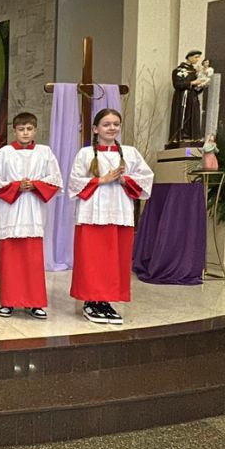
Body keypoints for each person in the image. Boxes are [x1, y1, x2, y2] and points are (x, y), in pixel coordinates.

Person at [69, 108, 153, 325]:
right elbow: (74, 183)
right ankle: (91, 301)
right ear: (96, 129)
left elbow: (146, 179)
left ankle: (106, 301)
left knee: (115, 259)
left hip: (119, 213)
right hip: (92, 214)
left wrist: (125, 180)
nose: (112, 128)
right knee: (92, 259)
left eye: (116, 124)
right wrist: (101, 180)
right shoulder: (86, 154)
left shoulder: (131, 153)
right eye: (106, 124)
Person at [0, 112, 62, 319]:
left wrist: (35, 185)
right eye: (21, 129)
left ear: (35, 130)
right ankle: (8, 301)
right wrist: (16, 186)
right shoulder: (4, 153)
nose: (25, 133)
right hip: (11, 213)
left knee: (32, 260)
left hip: (34, 213)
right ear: (14, 131)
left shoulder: (45, 152)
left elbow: (56, 179)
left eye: (29, 129)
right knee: (10, 260)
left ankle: (34, 302)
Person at [168, 50, 205, 146]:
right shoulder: (178, 71)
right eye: (196, 57)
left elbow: (197, 88)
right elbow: (177, 84)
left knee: (193, 116)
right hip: (182, 98)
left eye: (198, 57)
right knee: (183, 116)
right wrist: (192, 83)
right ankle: (182, 136)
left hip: (192, 97)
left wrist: (200, 86)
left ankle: (193, 137)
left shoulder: (195, 72)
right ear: (189, 57)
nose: (197, 59)